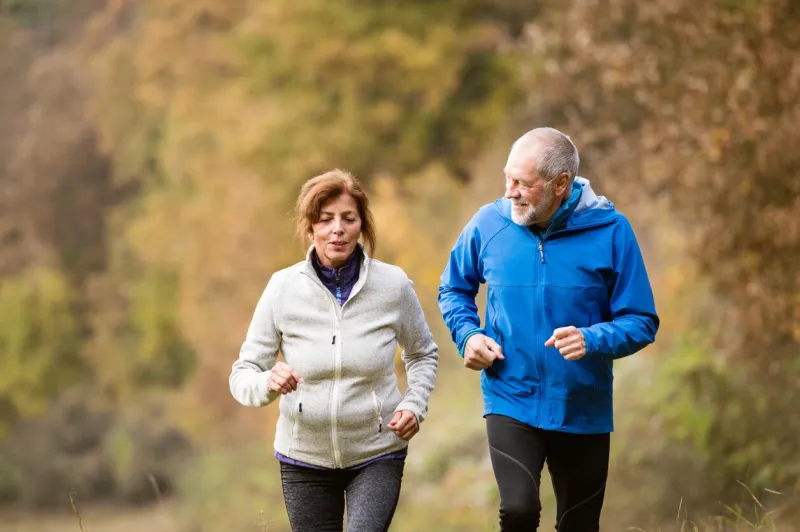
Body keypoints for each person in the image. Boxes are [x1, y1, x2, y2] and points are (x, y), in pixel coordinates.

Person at [438, 127, 659, 531]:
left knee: (579, 523)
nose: (510, 192)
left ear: (561, 184)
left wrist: (592, 339)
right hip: (510, 396)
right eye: (508, 178)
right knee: (519, 511)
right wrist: (468, 334)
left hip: (582, 405)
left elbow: (641, 320)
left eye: (523, 183)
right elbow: (453, 287)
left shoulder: (611, 231)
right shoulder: (489, 224)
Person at [230, 169, 439, 532]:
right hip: (303, 458)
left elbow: (422, 353)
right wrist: (268, 380)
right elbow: (243, 372)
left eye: (348, 218)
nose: (337, 229)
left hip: (377, 452)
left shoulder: (393, 286)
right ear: (310, 228)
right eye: (325, 220)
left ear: (362, 225)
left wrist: (413, 404)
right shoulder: (282, 289)